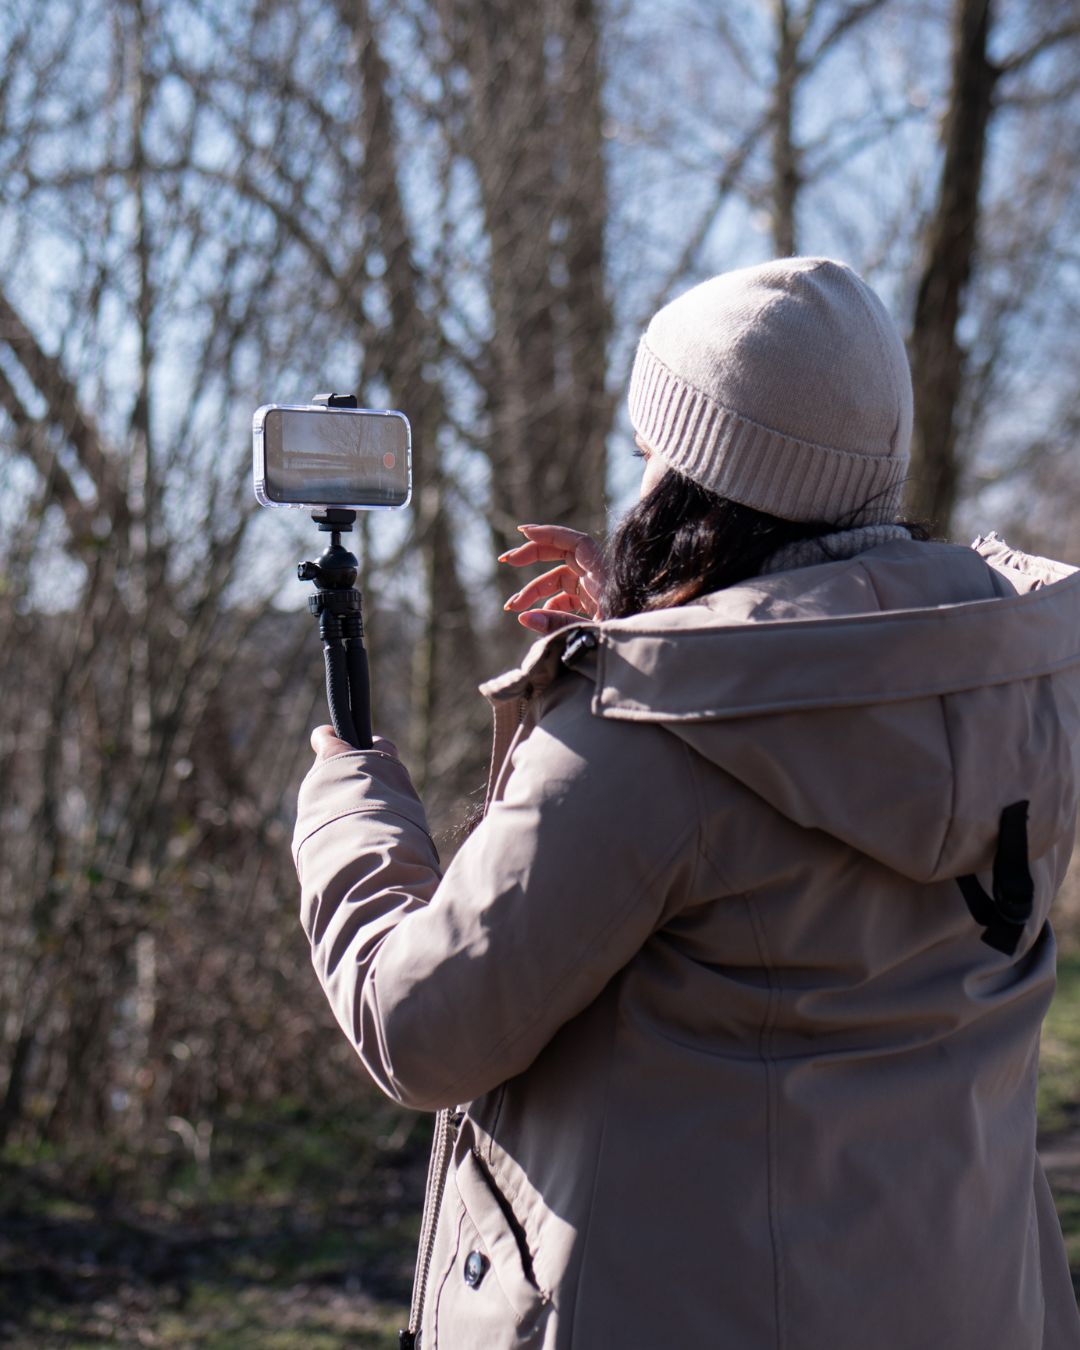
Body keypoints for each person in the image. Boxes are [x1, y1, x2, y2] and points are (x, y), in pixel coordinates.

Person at [293, 257, 1080, 1349]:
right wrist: (666, 612)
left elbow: (421, 1029)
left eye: (651, 449)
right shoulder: (1018, 687)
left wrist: (348, 798)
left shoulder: (648, 737)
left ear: (700, 478)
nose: (638, 482)